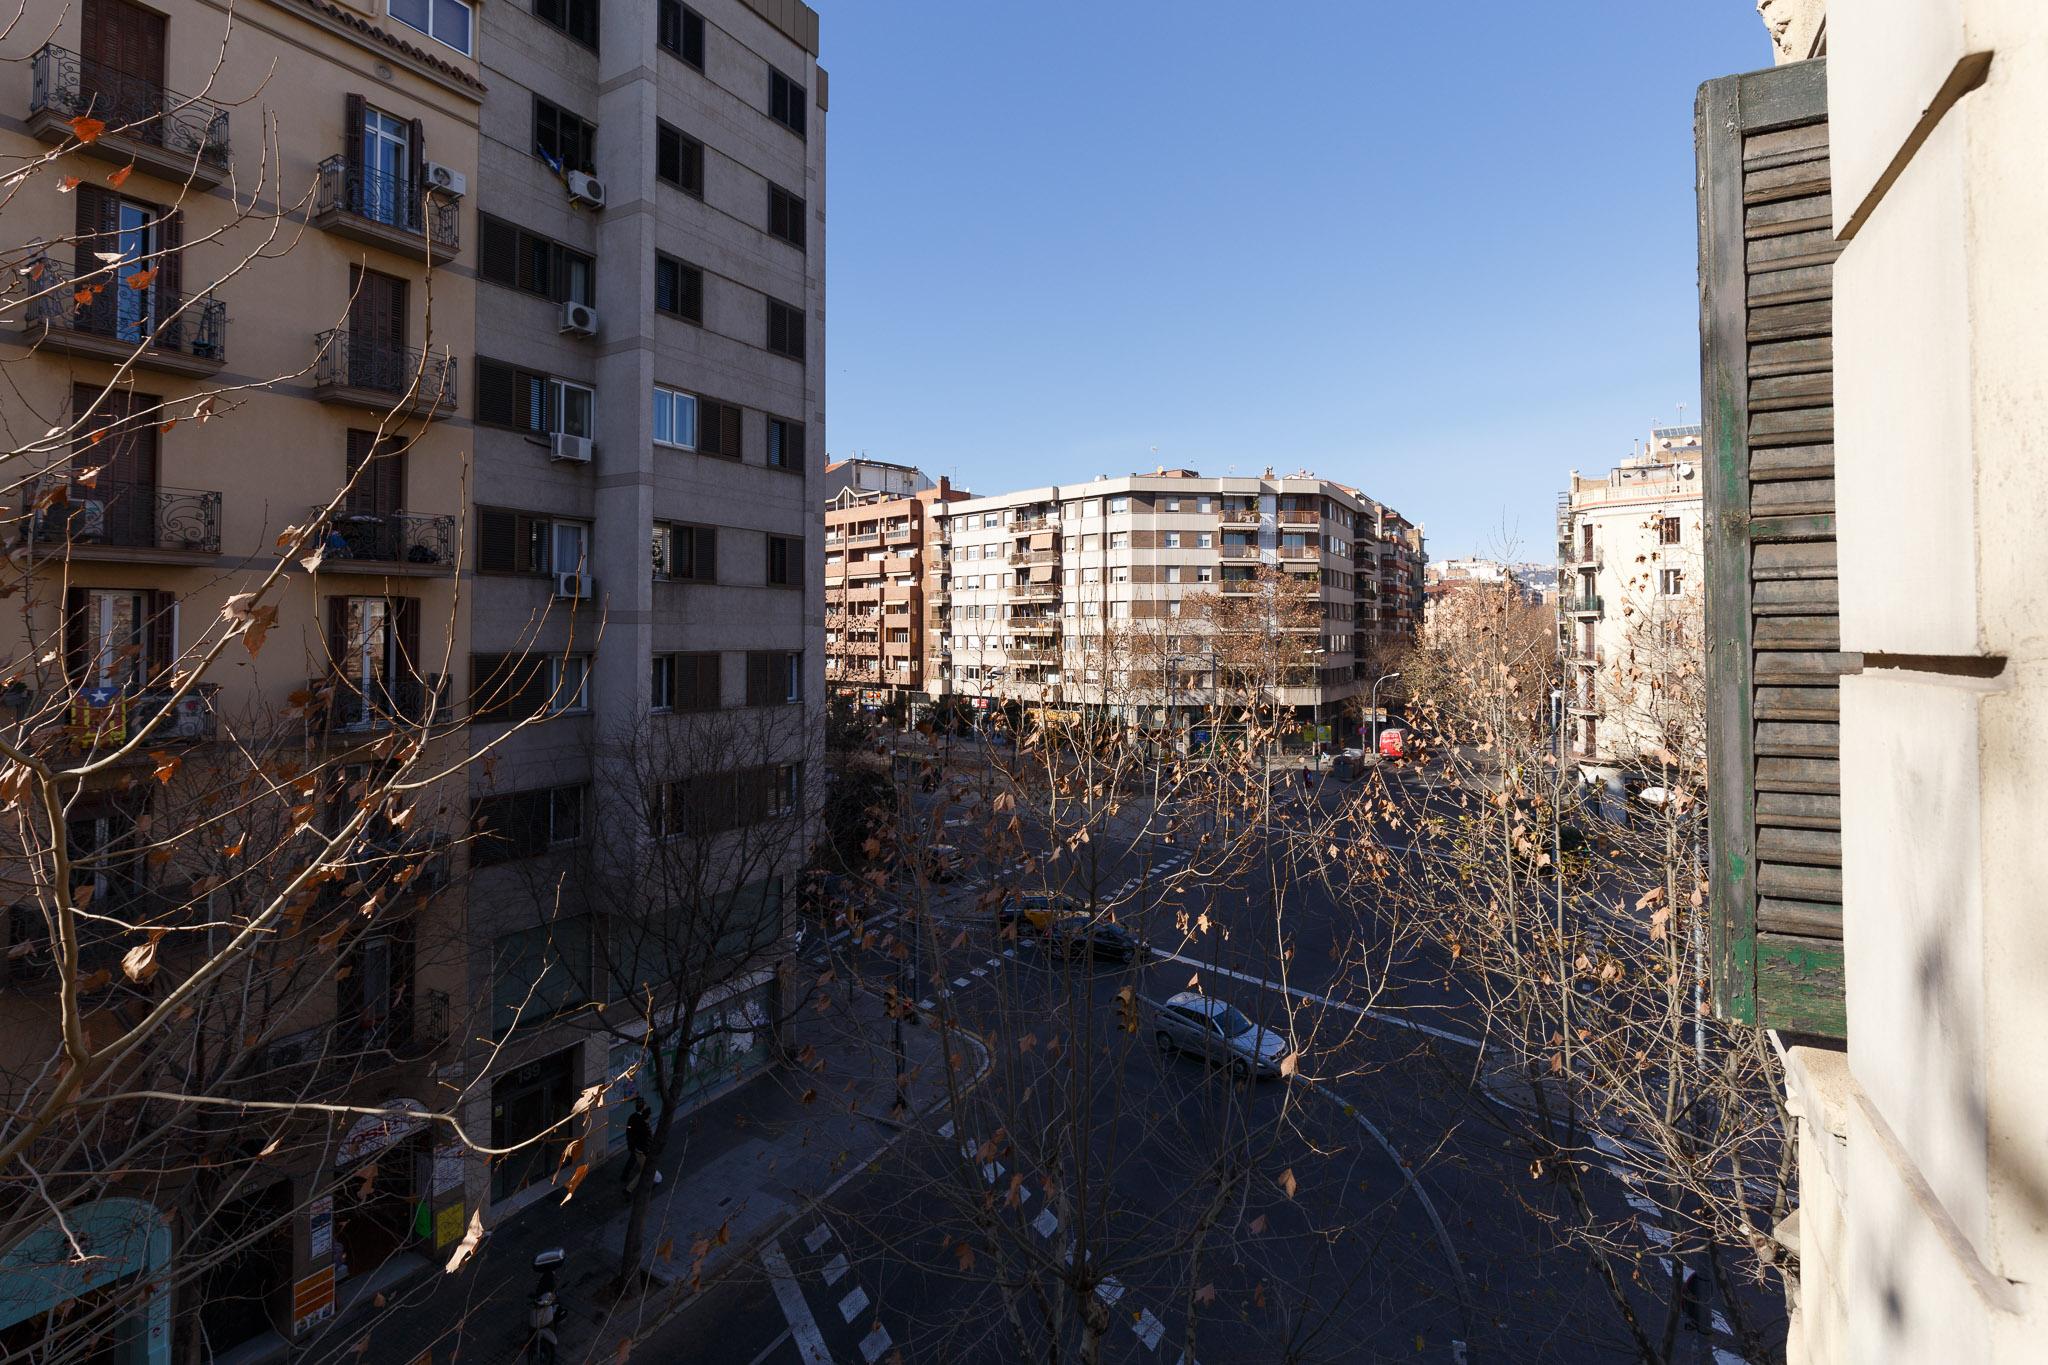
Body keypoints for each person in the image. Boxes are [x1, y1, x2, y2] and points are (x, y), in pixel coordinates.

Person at [622, 1098, 651, 1194]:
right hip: (638, 1147)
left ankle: (624, 1175)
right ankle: (628, 1184)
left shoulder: (632, 1117)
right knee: (637, 1162)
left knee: (632, 1159)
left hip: (634, 1145)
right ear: (642, 1108)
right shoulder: (641, 1120)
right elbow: (642, 1135)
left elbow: (629, 1131)